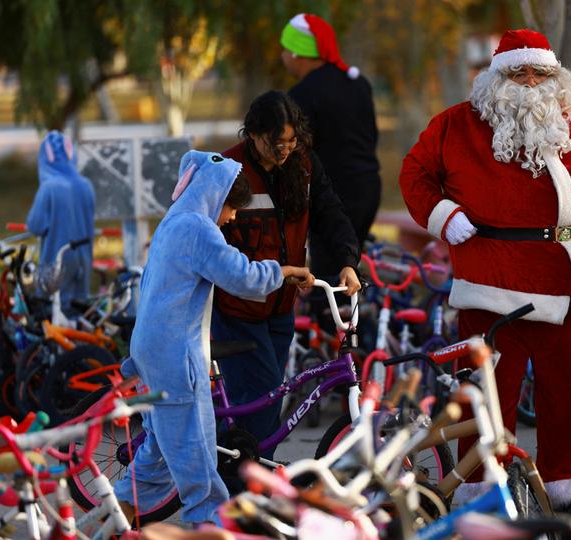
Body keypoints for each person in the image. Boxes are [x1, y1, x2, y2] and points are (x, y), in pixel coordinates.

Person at [398, 29, 571, 508]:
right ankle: (483, 506)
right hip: (490, 290)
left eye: (540, 72)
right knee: (483, 410)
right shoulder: (458, 124)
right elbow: (415, 174)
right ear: (496, 77)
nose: (531, 81)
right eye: (519, 72)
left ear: (557, 75)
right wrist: (443, 215)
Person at [113, 150, 314, 526]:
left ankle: (111, 519)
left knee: (158, 451)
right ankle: (209, 526)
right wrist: (285, 270)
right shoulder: (198, 229)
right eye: (232, 210)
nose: (232, 218)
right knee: (198, 456)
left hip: (152, 348)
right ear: (217, 198)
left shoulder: (174, 221)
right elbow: (241, 276)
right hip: (175, 355)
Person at [213, 91, 361, 461]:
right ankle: (245, 478)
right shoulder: (228, 169)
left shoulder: (305, 165)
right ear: (253, 134)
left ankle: (243, 469)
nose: (284, 151)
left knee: (268, 397)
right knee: (260, 395)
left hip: (281, 307)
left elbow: (331, 214)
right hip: (237, 309)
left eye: (292, 142)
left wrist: (347, 261)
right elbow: (207, 238)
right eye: (276, 143)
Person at [280, 13, 381, 258]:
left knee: (329, 280)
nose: (281, 55)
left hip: (333, 195)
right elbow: (371, 136)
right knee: (349, 266)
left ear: (296, 52)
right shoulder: (358, 83)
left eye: (284, 49)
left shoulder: (302, 94)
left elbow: (296, 149)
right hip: (369, 187)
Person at [26, 130, 95, 317]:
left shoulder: (49, 188)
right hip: (84, 258)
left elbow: (35, 225)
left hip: (57, 260)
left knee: (55, 312)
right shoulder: (86, 185)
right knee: (78, 311)